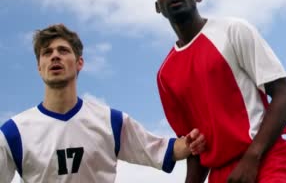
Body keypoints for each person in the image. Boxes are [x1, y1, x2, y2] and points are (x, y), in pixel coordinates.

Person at [0, 24, 205, 183]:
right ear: (39, 67)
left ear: (79, 62)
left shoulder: (110, 121)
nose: (55, 56)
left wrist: (192, 141)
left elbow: (161, 150)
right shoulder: (13, 132)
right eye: (47, 52)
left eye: (63, 51)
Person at [154, 0, 286, 183]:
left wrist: (252, 158)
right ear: (158, 7)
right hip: (220, 173)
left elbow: (285, 95)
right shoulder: (165, 75)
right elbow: (194, 147)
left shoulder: (233, 30)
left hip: (263, 156)